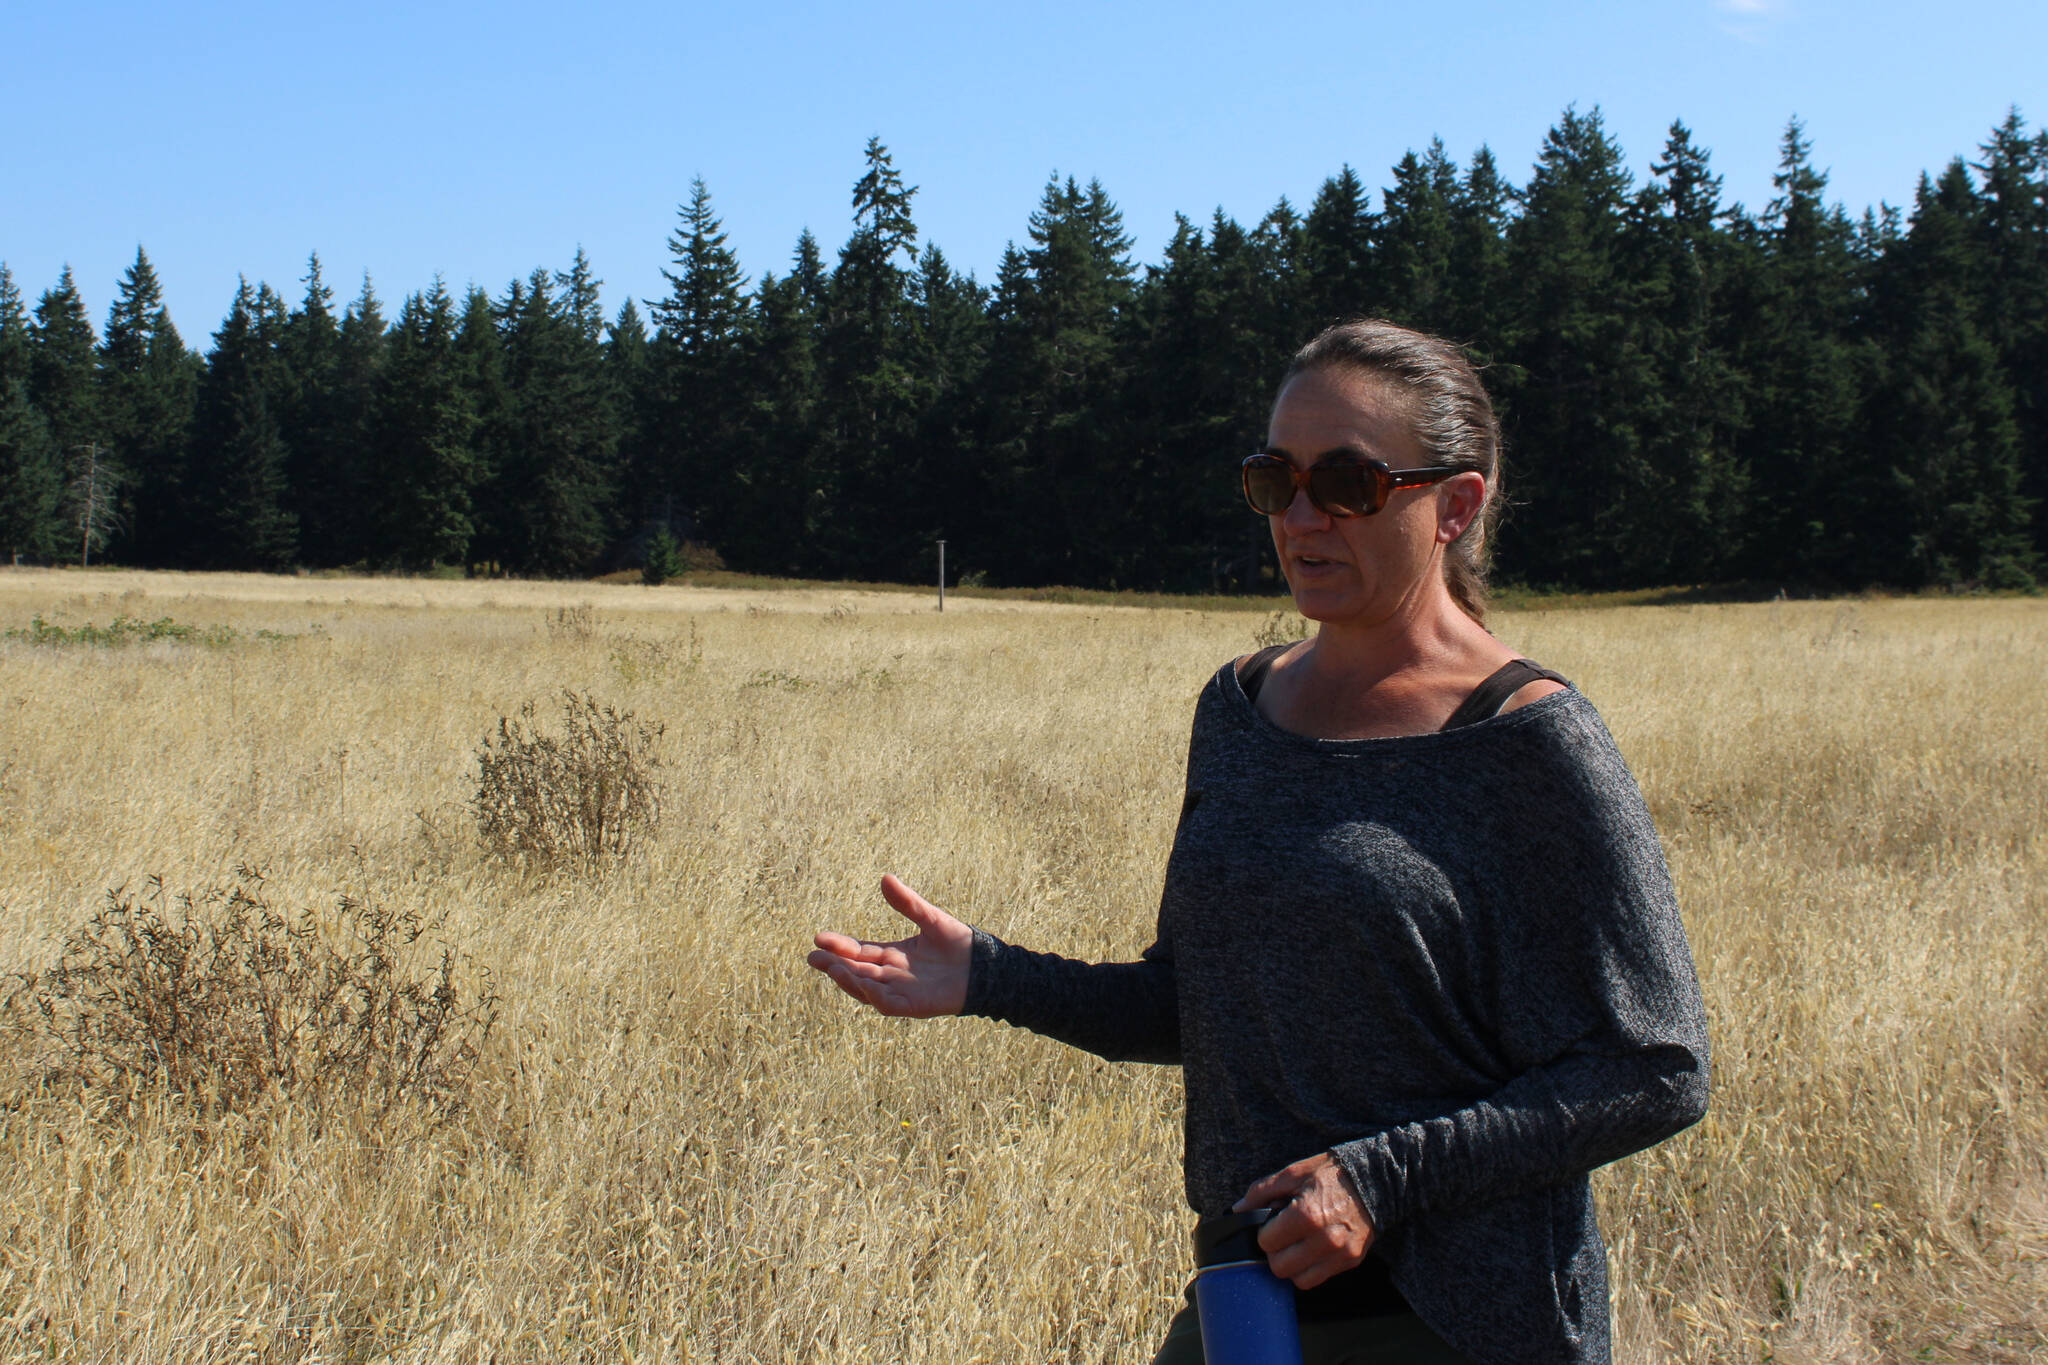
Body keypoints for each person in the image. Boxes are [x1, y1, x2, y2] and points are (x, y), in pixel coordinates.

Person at [806, 319, 1710, 1365]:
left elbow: (1654, 1067)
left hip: (1461, 1320)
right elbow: (1201, 1004)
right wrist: (992, 977)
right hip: (1251, 1300)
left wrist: (1379, 1179)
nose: (1300, 516)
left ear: (1453, 506)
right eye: (1274, 479)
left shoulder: (1525, 740)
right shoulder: (1239, 709)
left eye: (1347, 483)